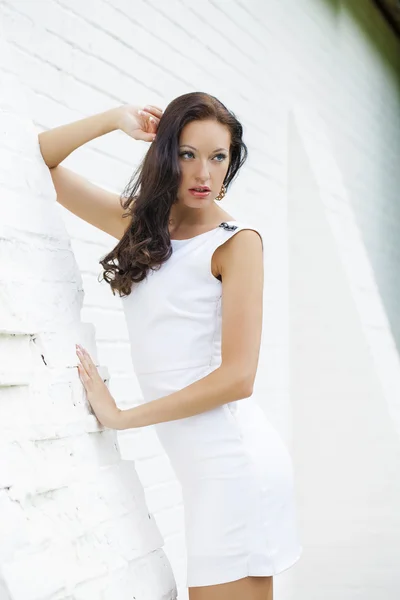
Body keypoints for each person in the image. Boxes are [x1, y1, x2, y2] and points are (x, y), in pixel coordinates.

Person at [38, 91, 303, 600]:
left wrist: (123, 417)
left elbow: (238, 378)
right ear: (165, 156)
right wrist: (115, 119)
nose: (203, 173)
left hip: (235, 465)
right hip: (206, 474)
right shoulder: (144, 229)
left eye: (218, 157)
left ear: (231, 163)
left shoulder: (237, 243)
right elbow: (39, 164)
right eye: (187, 154)